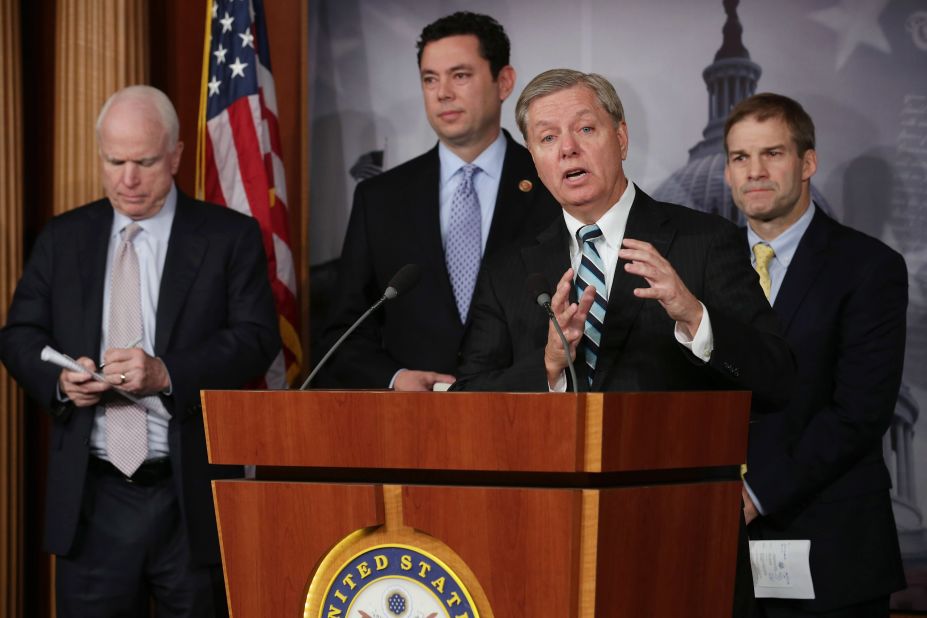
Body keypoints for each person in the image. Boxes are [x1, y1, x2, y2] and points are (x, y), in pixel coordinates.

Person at [0, 86, 281, 616]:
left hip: (189, 497)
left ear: (175, 155)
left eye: (145, 162)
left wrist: (166, 374)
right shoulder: (64, 238)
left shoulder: (228, 237)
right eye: (115, 161)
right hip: (93, 498)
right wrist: (61, 381)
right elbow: (19, 335)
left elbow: (256, 338)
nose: (128, 178)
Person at [451, 69, 793, 409]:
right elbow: (463, 399)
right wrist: (548, 367)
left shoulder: (705, 240)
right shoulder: (507, 271)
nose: (568, 148)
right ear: (535, 161)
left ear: (621, 139)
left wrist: (694, 317)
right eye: (548, 138)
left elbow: (778, 378)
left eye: (585, 129)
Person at [725, 93, 907, 617]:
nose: (754, 172)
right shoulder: (704, 267)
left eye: (772, 154)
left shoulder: (869, 268)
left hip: (830, 548)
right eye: (741, 158)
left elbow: (860, 412)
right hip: (717, 551)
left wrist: (756, 494)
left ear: (808, 163)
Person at [319, 11, 560, 391]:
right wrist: (394, 378)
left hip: (525, 416)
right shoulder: (380, 198)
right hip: (412, 428)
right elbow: (344, 330)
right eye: (430, 79)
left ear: (504, 81)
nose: (442, 92)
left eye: (460, 75)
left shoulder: (554, 186)